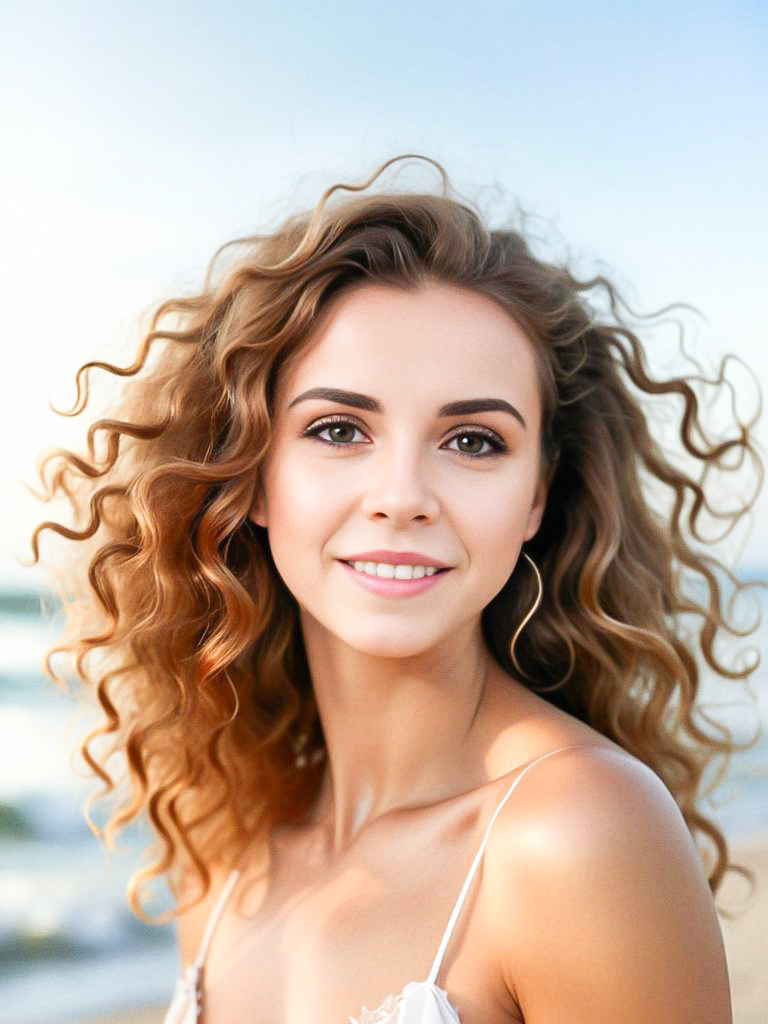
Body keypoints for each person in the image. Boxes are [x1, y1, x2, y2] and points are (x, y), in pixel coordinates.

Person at [30, 154, 763, 1023]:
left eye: (474, 441)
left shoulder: (576, 832)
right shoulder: (225, 855)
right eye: (339, 429)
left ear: (536, 494)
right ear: (252, 475)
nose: (403, 496)